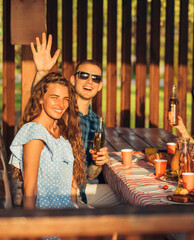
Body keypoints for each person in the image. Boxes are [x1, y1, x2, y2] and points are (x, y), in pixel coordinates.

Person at [30, 33, 121, 208]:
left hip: (83, 187)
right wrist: (41, 72)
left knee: (130, 199)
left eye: (96, 78)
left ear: (100, 86)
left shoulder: (97, 122)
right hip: (58, 191)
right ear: (73, 79)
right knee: (128, 203)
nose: (89, 81)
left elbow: (91, 174)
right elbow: (37, 107)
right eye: (83, 75)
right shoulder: (60, 110)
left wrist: (98, 163)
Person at [9, 73, 85, 209]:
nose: (61, 104)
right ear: (40, 99)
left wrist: (74, 213)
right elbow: (29, 190)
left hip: (68, 211)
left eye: (65, 99)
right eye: (54, 97)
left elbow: (71, 184)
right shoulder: (35, 133)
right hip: (47, 216)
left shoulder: (61, 129)